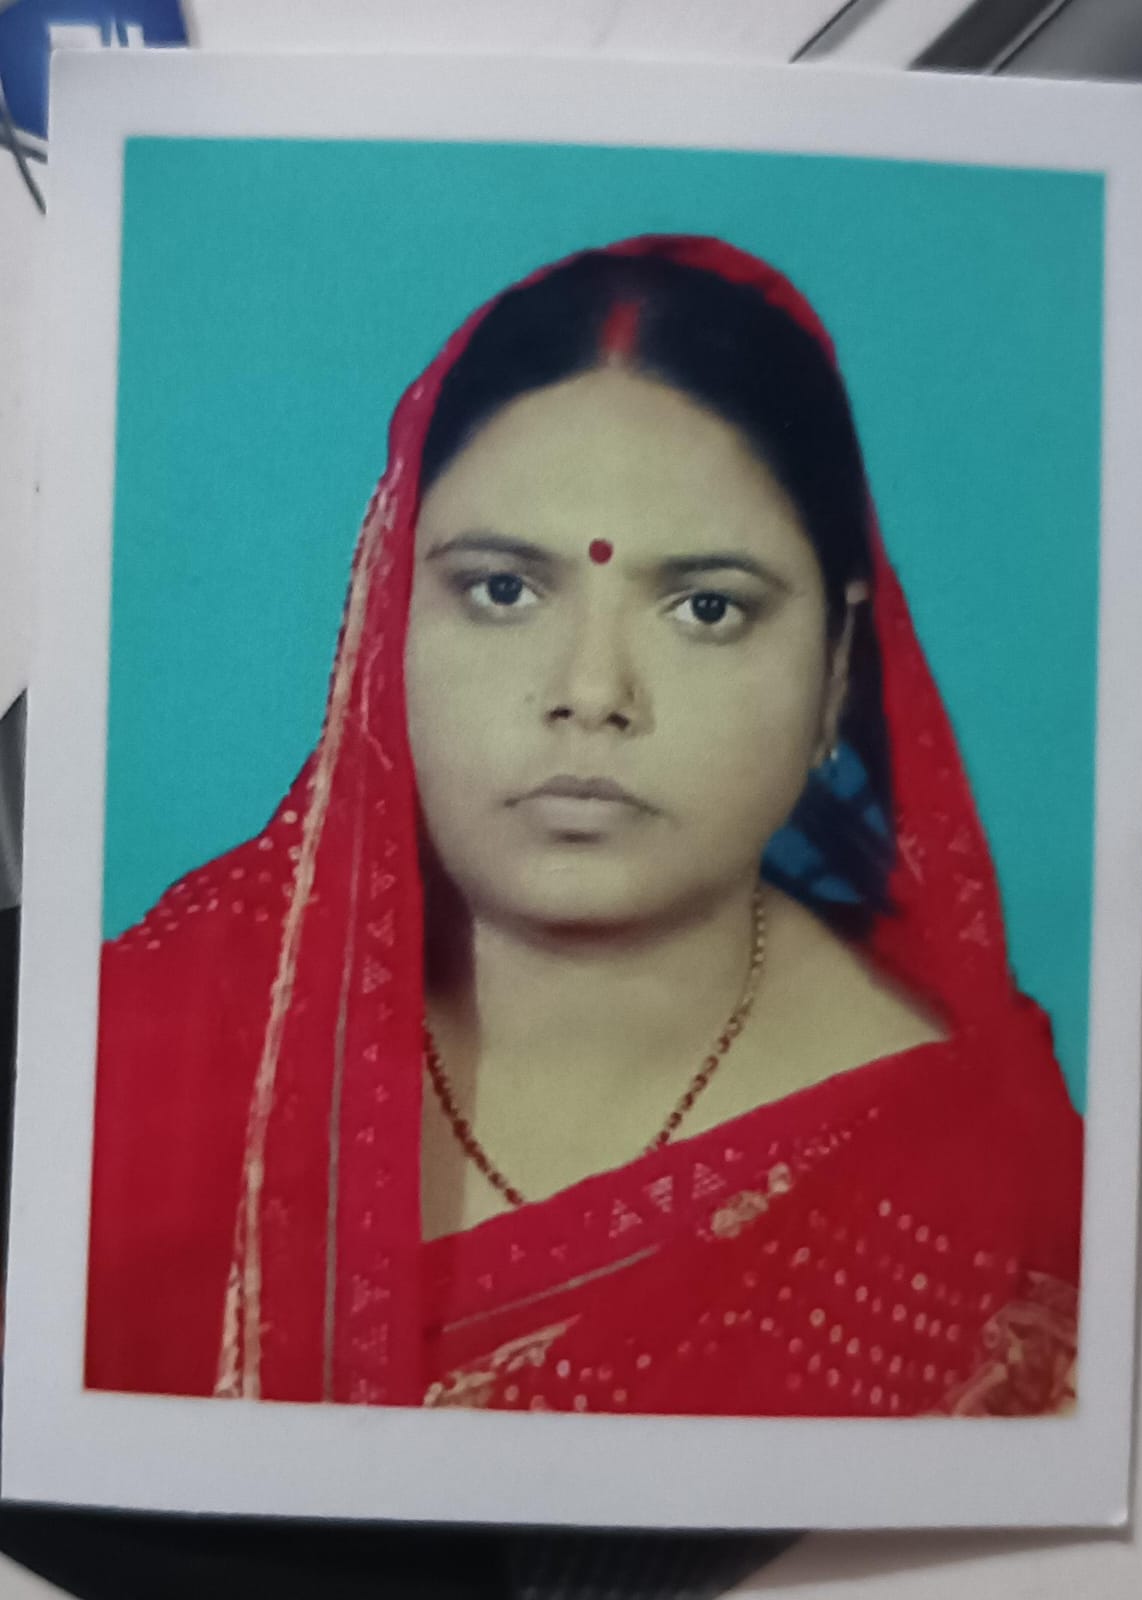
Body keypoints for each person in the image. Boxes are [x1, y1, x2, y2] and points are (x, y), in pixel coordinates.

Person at [86, 236, 1082, 1418]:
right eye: (502, 590)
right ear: (381, 624)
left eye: (705, 607)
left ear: (834, 671)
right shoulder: (148, 1045)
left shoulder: (971, 1182)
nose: (592, 691)